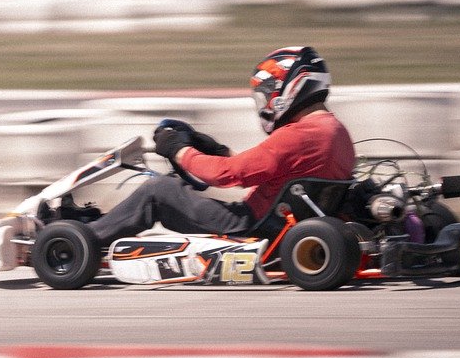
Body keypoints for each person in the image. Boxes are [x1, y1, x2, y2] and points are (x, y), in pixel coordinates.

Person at [84, 46, 356, 244]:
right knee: (171, 187)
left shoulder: (299, 134)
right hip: (280, 224)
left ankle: (83, 240)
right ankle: (93, 228)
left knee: (160, 189)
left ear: (288, 89)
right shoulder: (335, 131)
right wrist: (219, 151)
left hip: (251, 226)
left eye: (267, 95)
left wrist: (178, 150)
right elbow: (270, 172)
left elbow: (227, 175)